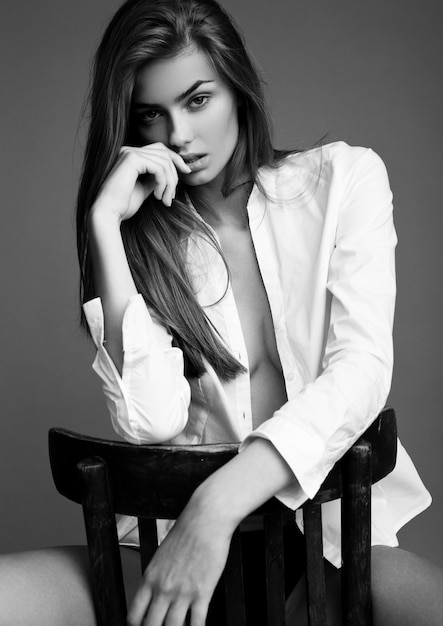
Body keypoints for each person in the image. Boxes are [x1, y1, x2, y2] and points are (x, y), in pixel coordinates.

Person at [1, 0, 443, 624]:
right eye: (152, 114)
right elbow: (151, 423)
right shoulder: (145, 241)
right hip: (178, 549)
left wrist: (220, 503)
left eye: (197, 100)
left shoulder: (344, 180)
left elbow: (362, 371)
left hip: (337, 541)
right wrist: (103, 225)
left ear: (236, 85)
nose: (177, 134)